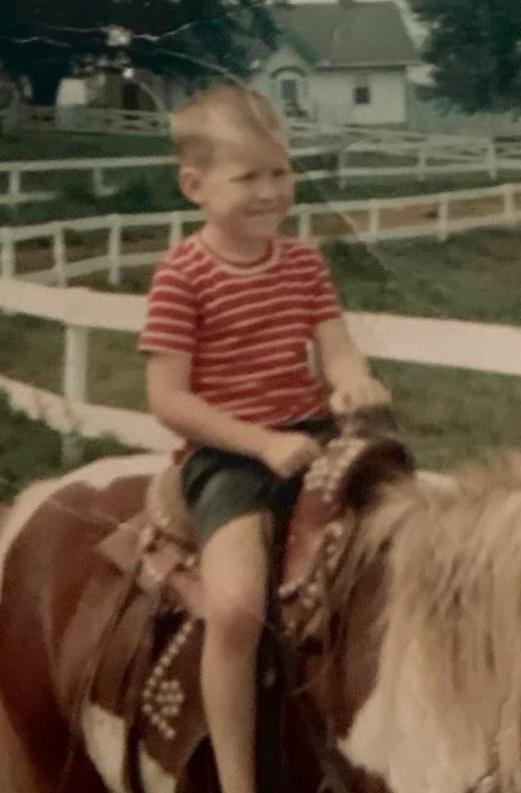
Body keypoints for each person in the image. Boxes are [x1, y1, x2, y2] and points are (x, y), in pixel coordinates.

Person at [137, 83, 390, 793]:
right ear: (194, 185)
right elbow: (168, 398)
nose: (269, 191)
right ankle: (239, 777)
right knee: (238, 605)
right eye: (246, 176)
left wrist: (351, 383)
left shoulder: (304, 263)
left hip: (311, 436)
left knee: (403, 546)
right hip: (227, 456)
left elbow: (335, 348)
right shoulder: (181, 276)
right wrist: (258, 442)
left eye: (279, 172)